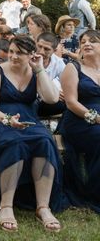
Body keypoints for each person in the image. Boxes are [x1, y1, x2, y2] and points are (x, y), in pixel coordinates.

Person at [0, 35, 64, 233]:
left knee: (45, 141)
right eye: (11, 51)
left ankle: (43, 207)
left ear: (31, 55)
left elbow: (52, 98)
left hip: (27, 120)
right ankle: (6, 206)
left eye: (19, 53)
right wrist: (6, 119)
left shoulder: (35, 71)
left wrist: (39, 70)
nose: (12, 56)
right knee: (14, 143)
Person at [61, 29, 100, 212]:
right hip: (80, 120)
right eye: (83, 41)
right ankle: (95, 194)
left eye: (93, 40)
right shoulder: (73, 67)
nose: (86, 44)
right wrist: (96, 118)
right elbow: (71, 102)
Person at [35, 33, 66, 118]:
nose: (41, 51)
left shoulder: (58, 62)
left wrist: (63, 93)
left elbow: (67, 84)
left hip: (46, 100)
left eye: (46, 49)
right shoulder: (27, 58)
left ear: (54, 50)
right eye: (39, 46)